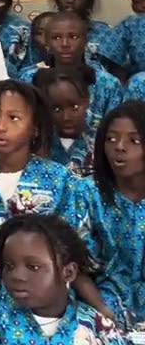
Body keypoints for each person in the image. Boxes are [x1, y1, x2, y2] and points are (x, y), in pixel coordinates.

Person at [0, 81, 110, 315]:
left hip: (42, 291)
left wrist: (102, 308)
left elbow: (69, 251)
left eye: (13, 118)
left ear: (34, 128)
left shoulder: (60, 180)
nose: (0, 126)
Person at [0, 214, 124, 343]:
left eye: (33, 267)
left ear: (68, 272)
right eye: (9, 266)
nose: (17, 276)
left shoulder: (97, 327)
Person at [87, 101, 145, 337]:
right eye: (111, 139)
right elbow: (72, 265)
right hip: (103, 297)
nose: (119, 147)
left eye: (134, 140)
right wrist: (101, 308)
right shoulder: (87, 193)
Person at [20, 11, 123, 123]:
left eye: (73, 37)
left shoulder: (108, 84)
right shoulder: (28, 80)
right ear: (47, 44)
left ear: (85, 41)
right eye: (56, 37)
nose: (65, 44)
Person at [49, 0, 128, 74]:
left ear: (89, 2)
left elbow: (118, 70)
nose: (70, 1)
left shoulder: (104, 31)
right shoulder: (45, 28)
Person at [35, 65, 98, 176]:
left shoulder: (101, 142)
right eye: (56, 109)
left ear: (87, 100)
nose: (66, 117)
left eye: (74, 107)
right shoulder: (36, 142)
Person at [114, 0, 145, 75]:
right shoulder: (128, 23)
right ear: (133, 7)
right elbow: (114, 48)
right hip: (139, 76)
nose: (144, 5)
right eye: (138, 2)